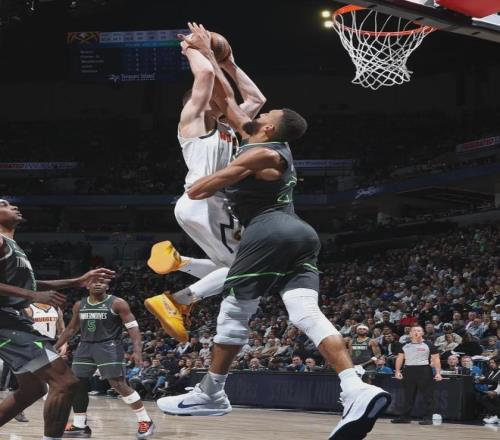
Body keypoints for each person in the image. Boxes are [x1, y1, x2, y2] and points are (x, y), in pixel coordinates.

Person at [156, 22, 391, 440]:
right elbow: (237, 100)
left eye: (264, 118)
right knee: (305, 312)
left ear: (267, 128)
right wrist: (226, 59)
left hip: (265, 230)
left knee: (235, 311)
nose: (259, 114)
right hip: (300, 233)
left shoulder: (260, 150)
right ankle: (355, 386)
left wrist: (199, 50)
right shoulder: (258, 137)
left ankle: (210, 389)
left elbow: (199, 187)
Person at [144, 29, 266, 343]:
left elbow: (257, 99)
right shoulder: (193, 121)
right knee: (246, 266)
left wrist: (230, 63)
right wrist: (190, 48)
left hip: (207, 204)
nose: (220, 96)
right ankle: (177, 300)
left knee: (230, 265)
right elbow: (206, 75)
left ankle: (181, 263)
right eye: (212, 95)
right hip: (205, 200)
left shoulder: (229, 126)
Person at [0, 198, 113, 440]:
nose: (13, 206)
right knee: (65, 382)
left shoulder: (11, 244)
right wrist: (32, 296)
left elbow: (30, 284)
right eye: (3, 205)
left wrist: (76, 281)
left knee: (33, 389)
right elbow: (30, 290)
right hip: (4, 321)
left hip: (12, 320)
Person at [54, 279, 155, 439]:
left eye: (102, 282)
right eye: (94, 282)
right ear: (87, 285)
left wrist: (137, 350)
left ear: (107, 286)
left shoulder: (117, 303)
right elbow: (72, 328)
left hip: (109, 346)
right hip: (85, 346)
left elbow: (133, 328)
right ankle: (80, 426)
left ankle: (145, 420)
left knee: (118, 384)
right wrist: (56, 346)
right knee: (76, 383)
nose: (98, 284)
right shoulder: (80, 305)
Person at [391, 325, 442, 425]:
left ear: (422, 333)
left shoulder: (429, 344)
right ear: (410, 333)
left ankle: (428, 418)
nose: (416, 332)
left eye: (419, 330)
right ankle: (405, 417)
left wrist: (438, 373)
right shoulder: (405, 345)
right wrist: (397, 371)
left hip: (424, 370)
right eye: (414, 330)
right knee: (408, 395)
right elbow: (400, 358)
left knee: (427, 395)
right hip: (408, 370)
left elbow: (436, 359)